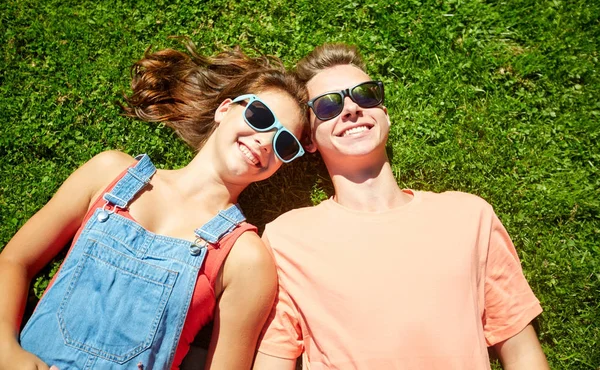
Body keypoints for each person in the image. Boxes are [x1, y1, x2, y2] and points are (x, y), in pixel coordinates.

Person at [0, 40, 308, 370]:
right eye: (259, 116)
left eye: (284, 142)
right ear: (225, 109)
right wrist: (6, 349)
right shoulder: (110, 173)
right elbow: (15, 261)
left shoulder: (245, 258)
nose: (265, 141)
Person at [253, 43, 550, 369]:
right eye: (328, 105)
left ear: (385, 114)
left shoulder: (468, 217)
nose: (351, 109)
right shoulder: (287, 240)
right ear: (309, 139)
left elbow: (522, 352)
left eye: (365, 95)